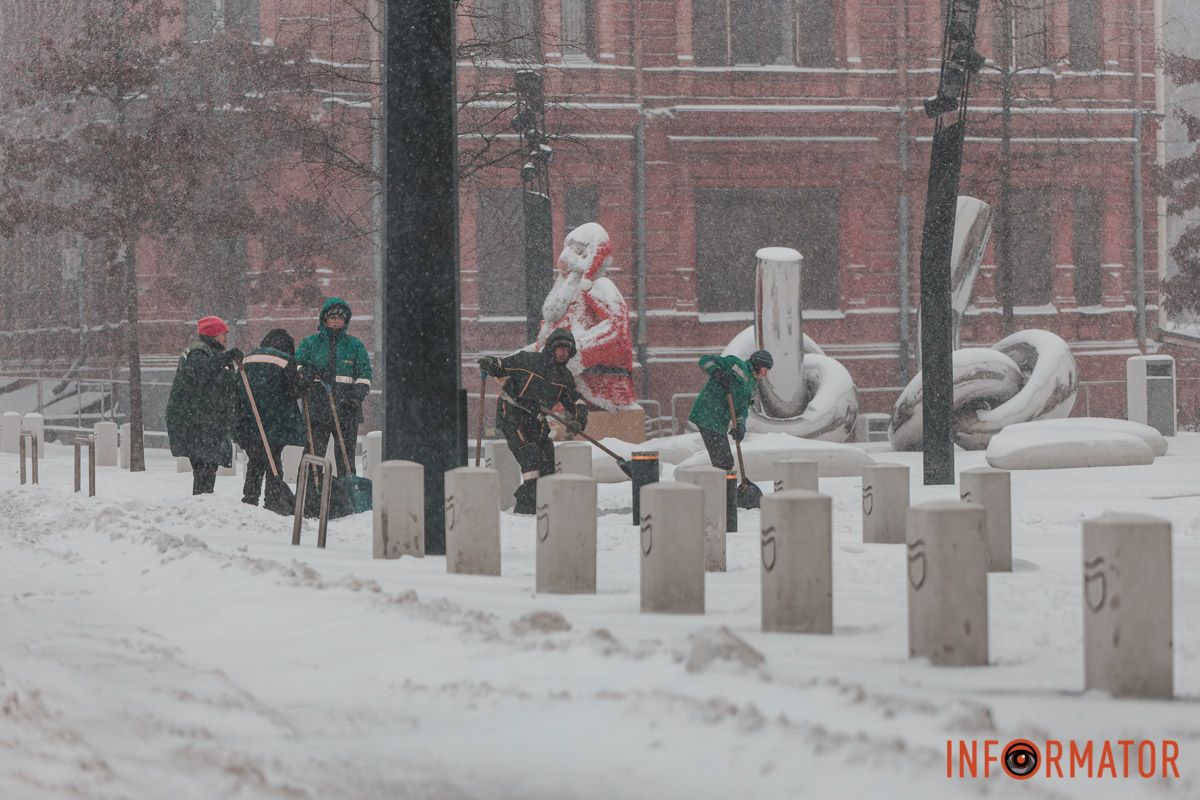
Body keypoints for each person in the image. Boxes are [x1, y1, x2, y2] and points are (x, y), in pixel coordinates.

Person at [478, 328, 589, 515]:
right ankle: (525, 510)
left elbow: (576, 402)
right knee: (531, 458)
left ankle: (544, 507)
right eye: (560, 348)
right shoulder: (528, 361)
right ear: (552, 348)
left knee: (547, 461)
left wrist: (578, 420)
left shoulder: (564, 377)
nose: (563, 353)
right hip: (513, 415)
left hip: (537, 421)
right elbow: (502, 366)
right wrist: (491, 363)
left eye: (567, 350)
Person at [295, 297, 373, 476]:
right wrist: (308, 371)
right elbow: (296, 365)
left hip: (347, 408)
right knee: (314, 455)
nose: (336, 319)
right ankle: (311, 493)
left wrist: (357, 395)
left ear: (346, 320)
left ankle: (346, 496)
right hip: (317, 406)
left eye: (340, 316)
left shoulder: (355, 346)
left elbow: (364, 374)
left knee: (345, 457)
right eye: (332, 316)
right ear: (324, 319)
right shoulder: (311, 343)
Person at [166, 315, 243, 495]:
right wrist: (226, 358)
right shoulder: (197, 352)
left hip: (206, 422)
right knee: (204, 467)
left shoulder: (210, 354)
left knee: (208, 467)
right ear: (213, 334)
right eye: (222, 334)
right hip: (197, 423)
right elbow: (203, 372)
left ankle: (203, 501)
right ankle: (201, 502)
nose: (225, 338)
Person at [235, 328, 307, 515]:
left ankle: (250, 498)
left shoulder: (248, 358)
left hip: (250, 419)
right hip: (276, 420)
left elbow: (237, 388)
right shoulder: (286, 360)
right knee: (273, 459)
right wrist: (304, 381)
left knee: (256, 460)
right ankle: (273, 500)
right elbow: (294, 391)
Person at [688, 349, 774, 472]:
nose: (765, 375)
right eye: (765, 370)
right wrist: (717, 372)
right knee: (723, 461)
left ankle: (725, 487)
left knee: (725, 461)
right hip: (707, 414)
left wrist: (740, 426)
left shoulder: (751, 386)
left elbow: (743, 410)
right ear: (758, 364)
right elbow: (705, 360)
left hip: (719, 422)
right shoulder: (735, 363)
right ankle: (723, 488)